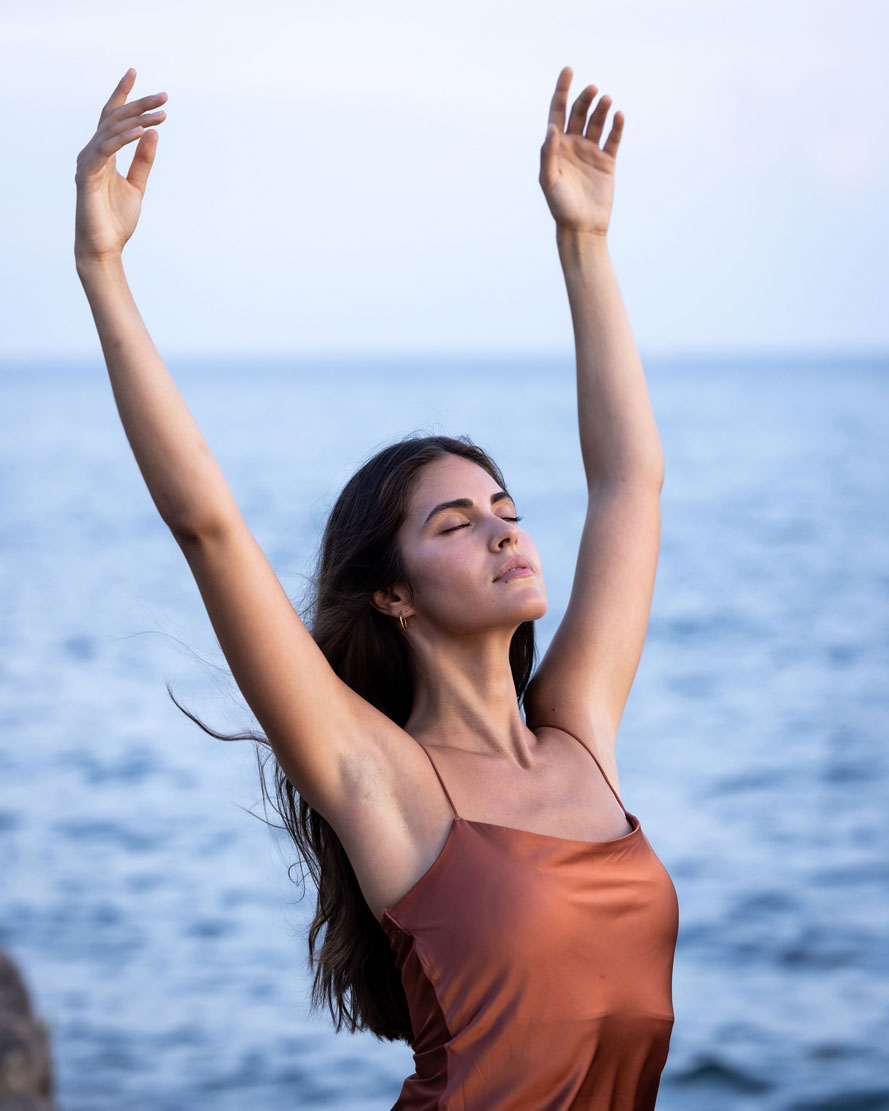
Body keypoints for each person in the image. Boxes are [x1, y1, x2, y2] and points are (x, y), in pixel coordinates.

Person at [74, 64, 679, 1110]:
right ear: (392, 594)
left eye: (505, 507)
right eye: (455, 522)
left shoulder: (578, 734)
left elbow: (628, 483)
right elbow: (207, 525)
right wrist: (101, 267)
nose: (502, 528)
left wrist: (582, 239)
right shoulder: (382, 779)